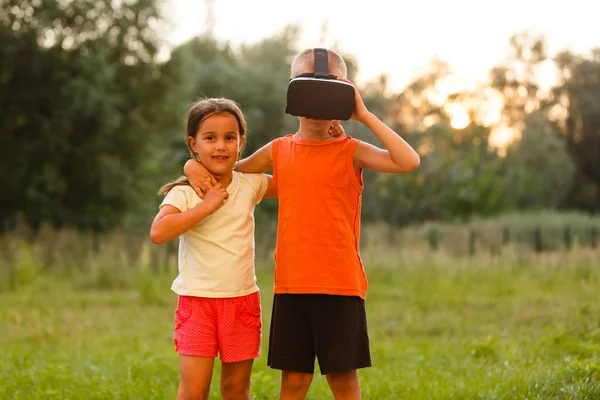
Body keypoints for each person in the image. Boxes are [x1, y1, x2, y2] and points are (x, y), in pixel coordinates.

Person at [183, 48, 420, 400]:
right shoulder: (278, 151)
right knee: (293, 383)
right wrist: (191, 168)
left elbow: (408, 161)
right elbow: (227, 171)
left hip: (340, 285)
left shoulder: (350, 150)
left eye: (329, 92)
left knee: (343, 382)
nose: (316, 104)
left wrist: (364, 115)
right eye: (308, 89)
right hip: (291, 287)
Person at [149, 97, 278, 400]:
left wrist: (323, 140)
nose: (220, 146)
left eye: (229, 138)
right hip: (197, 304)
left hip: (242, 301)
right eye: (210, 138)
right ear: (193, 144)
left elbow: (297, 181)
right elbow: (158, 232)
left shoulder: (250, 184)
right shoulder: (185, 192)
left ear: (241, 143)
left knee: (236, 389)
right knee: (194, 390)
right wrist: (205, 207)